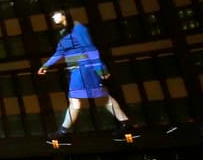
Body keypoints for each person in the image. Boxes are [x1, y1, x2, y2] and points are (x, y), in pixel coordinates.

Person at [38, 8, 132, 139]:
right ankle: (126, 123)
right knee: (103, 98)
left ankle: (63, 132)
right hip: (78, 70)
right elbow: (60, 52)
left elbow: (90, 49)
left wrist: (101, 69)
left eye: (55, 14)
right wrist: (46, 66)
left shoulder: (79, 29)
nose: (53, 17)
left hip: (83, 69)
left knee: (76, 100)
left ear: (64, 14)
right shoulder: (64, 32)